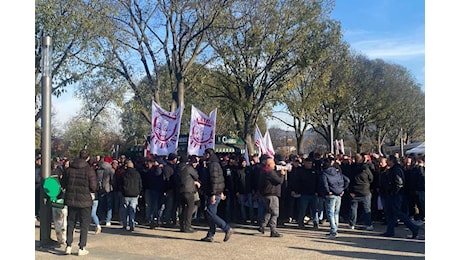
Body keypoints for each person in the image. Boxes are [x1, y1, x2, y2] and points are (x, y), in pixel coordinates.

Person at [61, 149, 97, 256]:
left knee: (70, 223)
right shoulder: (89, 170)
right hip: (85, 201)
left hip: (71, 200)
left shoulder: (69, 169)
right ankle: (81, 247)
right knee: (84, 225)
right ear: (88, 158)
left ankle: (68, 246)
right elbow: (93, 187)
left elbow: (63, 183)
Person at [380, 155, 420, 239]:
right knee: (390, 213)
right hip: (392, 194)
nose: (387, 162)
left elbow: (399, 183)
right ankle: (390, 231)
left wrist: (393, 192)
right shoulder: (393, 169)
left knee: (397, 212)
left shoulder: (396, 170)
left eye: (388, 160)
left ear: (392, 161)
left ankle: (413, 227)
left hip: (395, 195)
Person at [200, 148, 234, 242]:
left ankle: (226, 228)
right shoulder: (214, 164)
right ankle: (210, 234)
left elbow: (214, 180)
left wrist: (213, 194)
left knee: (210, 213)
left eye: (204, 154)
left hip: (214, 193)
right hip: (216, 192)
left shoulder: (212, 165)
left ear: (208, 155)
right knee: (211, 214)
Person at [319, 156, 350, 239]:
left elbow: (324, 184)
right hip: (339, 193)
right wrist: (343, 189)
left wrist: (328, 191)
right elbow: (347, 180)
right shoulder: (338, 172)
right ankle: (335, 228)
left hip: (331, 194)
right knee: (336, 212)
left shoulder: (324, 173)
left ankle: (333, 230)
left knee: (330, 213)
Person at [257, 155, 286, 237]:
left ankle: (262, 225)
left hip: (265, 194)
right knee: (275, 213)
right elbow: (279, 181)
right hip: (272, 194)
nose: (274, 165)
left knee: (269, 211)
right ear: (269, 164)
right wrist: (282, 174)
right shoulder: (269, 172)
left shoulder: (263, 171)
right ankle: (273, 230)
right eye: (273, 163)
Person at [174, 155, 201, 233]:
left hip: (180, 190)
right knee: (190, 208)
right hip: (189, 190)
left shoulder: (177, 168)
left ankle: (182, 226)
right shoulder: (188, 168)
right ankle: (188, 226)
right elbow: (196, 176)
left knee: (182, 209)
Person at [348, 153, 374, 231]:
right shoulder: (366, 169)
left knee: (353, 209)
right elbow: (371, 178)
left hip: (354, 191)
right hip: (365, 190)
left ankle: (352, 224)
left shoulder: (351, 169)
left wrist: (350, 190)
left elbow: (349, 180)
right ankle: (368, 224)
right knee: (367, 209)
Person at [293, 157, 319, 230]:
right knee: (302, 209)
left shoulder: (315, 172)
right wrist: (295, 190)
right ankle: (300, 223)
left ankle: (315, 223)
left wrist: (317, 191)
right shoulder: (301, 171)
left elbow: (318, 182)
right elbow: (297, 182)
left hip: (314, 194)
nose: (309, 165)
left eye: (310, 163)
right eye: (307, 163)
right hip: (304, 194)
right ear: (304, 163)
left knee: (314, 210)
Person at [141, 158, 165, 229]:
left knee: (153, 206)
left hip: (153, 189)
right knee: (155, 206)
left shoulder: (151, 170)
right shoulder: (156, 170)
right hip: (156, 190)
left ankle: (152, 220)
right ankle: (155, 220)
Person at [120, 159, 143, 231]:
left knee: (125, 210)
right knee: (132, 210)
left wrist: (122, 191)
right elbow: (140, 184)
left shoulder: (124, 174)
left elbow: (121, 184)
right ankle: (131, 224)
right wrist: (139, 192)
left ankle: (125, 224)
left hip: (126, 194)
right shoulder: (137, 174)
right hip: (135, 194)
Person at [50, 160, 67, 245]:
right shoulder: (59, 174)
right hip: (60, 199)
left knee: (57, 221)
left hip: (54, 199)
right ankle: (63, 238)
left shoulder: (50, 173)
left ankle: (60, 238)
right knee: (63, 221)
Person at [97, 156, 115, 227]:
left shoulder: (98, 170)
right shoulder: (111, 170)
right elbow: (113, 180)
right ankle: (108, 220)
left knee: (101, 204)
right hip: (108, 189)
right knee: (109, 205)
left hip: (100, 189)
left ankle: (101, 219)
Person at [162, 153, 179, 227]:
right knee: (170, 206)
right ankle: (169, 221)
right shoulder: (168, 168)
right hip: (170, 189)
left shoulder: (170, 167)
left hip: (173, 189)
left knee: (172, 206)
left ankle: (172, 220)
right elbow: (165, 179)